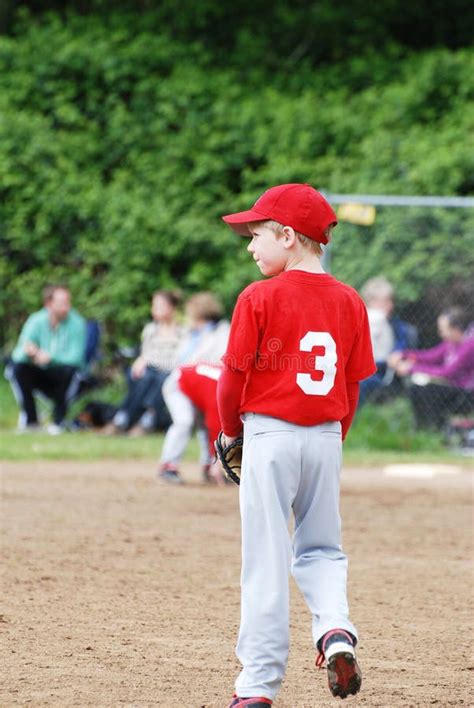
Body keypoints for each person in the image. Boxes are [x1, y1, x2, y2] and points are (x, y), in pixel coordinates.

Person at [216, 183, 376, 706]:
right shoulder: (351, 300)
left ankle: (256, 688)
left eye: (258, 233)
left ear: (288, 236)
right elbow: (351, 386)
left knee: (266, 558)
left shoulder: (258, 296)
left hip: (270, 433)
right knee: (323, 548)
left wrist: (230, 432)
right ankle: (336, 633)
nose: (250, 245)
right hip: (326, 436)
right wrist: (333, 439)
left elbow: (232, 381)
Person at [157, 292, 230, 483]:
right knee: (184, 421)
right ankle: (168, 465)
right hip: (181, 383)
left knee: (208, 424)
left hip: (207, 382)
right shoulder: (190, 333)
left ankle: (210, 465)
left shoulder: (222, 331)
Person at [104, 290, 184, 435]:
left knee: (160, 378)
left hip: (170, 370)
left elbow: (181, 358)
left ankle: (142, 419)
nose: (155, 310)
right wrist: (140, 361)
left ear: (172, 307)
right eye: (154, 306)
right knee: (143, 376)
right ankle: (125, 418)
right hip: (151, 368)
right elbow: (145, 353)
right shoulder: (151, 329)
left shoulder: (182, 332)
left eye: (160, 306)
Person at [9, 284, 86, 434]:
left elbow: (76, 359)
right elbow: (18, 353)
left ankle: (58, 421)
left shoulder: (77, 323)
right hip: (39, 373)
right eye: (62, 303)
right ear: (48, 304)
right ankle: (31, 421)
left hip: (63, 375)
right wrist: (32, 353)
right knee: (18, 367)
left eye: (68, 303)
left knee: (69, 371)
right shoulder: (36, 320)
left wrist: (50, 358)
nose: (67, 307)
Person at [388, 306, 474, 429]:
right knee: (416, 389)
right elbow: (431, 356)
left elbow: (447, 373)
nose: (440, 334)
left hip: (467, 393)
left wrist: (411, 368)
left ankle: (432, 428)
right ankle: (426, 429)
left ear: (456, 330)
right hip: (453, 387)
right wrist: (404, 354)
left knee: (426, 391)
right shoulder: (453, 342)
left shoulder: (470, 345)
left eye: (443, 330)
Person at [358, 276, 414, 406]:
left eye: (390, 301)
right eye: (385, 302)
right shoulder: (361, 319)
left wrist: (397, 353)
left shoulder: (395, 324)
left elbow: (401, 343)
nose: (390, 306)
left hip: (383, 370)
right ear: (371, 302)